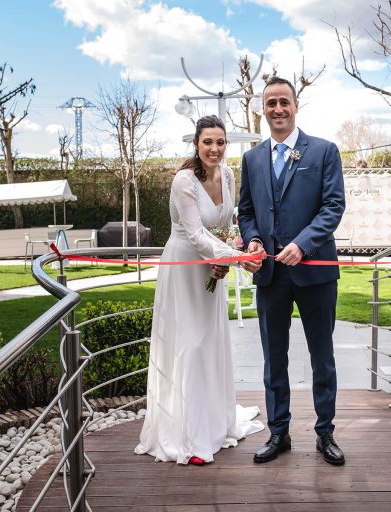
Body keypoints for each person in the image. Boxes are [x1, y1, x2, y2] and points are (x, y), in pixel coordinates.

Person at [135, 115, 264, 466]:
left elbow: (225, 225)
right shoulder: (183, 181)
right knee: (189, 344)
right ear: (196, 143)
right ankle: (190, 438)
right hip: (184, 268)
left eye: (221, 142)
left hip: (213, 269)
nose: (215, 149)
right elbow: (194, 234)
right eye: (208, 142)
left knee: (209, 342)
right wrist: (237, 258)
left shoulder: (229, 175)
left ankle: (214, 425)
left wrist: (226, 255)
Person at [238, 77, 346, 465]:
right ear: (262, 109)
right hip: (270, 275)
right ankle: (278, 432)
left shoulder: (324, 151)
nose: (278, 109)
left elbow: (333, 206)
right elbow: (246, 212)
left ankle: (325, 433)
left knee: (322, 356)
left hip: (315, 272)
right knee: (274, 358)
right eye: (271, 103)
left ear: (296, 105)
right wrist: (252, 241)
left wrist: (303, 244)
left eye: (284, 101)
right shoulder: (251, 159)